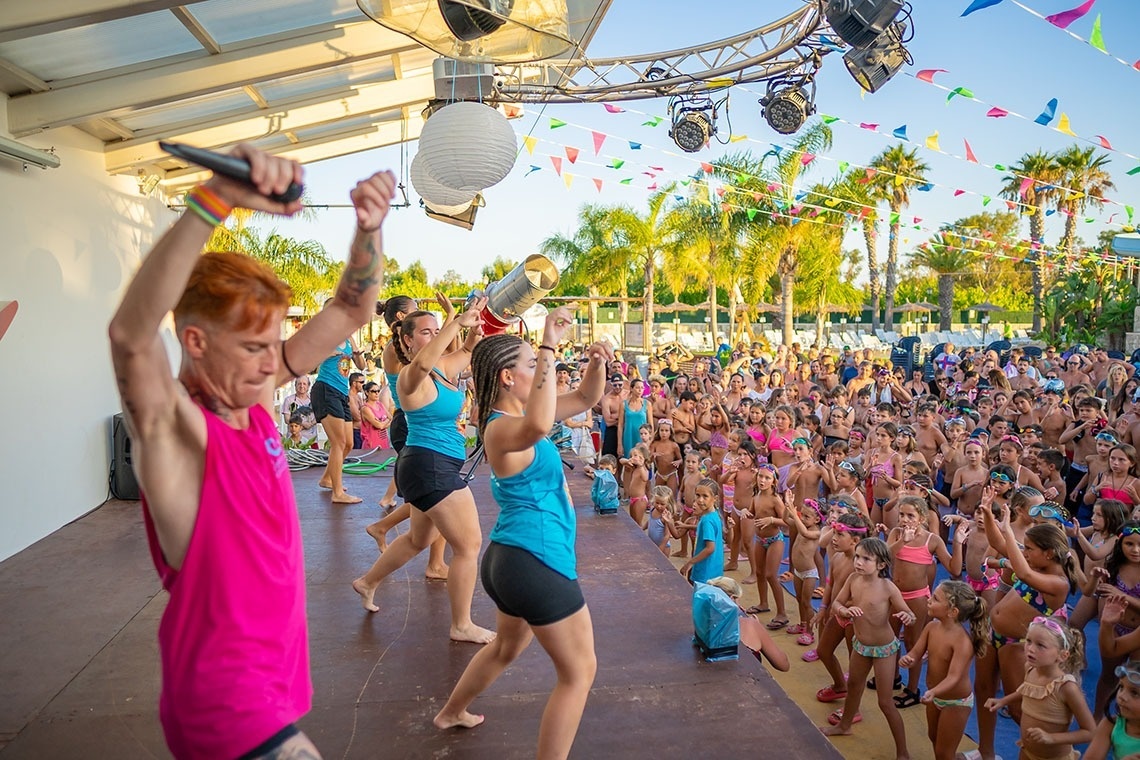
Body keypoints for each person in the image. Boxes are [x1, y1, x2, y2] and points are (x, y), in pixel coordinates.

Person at [108, 144, 396, 759]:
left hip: (273, 693)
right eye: (252, 348)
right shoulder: (175, 429)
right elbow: (131, 335)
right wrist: (215, 200)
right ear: (195, 341)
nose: (274, 363)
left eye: (275, 344)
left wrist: (369, 228)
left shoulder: (256, 402)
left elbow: (350, 308)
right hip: (225, 706)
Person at [431, 309, 611, 760]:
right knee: (579, 672)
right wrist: (548, 340)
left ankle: (452, 711)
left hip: (512, 559)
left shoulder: (522, 415)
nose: (540, 368)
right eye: (532, 364)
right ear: (509, 377)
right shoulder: (501, 427)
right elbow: (535, 426)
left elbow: (587, 397)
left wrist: (596, 361)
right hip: (536, 560)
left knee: (507, 647)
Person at [352, 299, 495, 644]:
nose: (434, 337)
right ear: (407, 341)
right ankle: (461, 624)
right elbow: (430, 356)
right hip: (428, 466)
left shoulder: (441, 367)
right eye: (425, 332)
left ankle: (368, 581)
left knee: (419, 538)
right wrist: (452, 323)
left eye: (436, 330)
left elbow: (468, 351)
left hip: (432, 464)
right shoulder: (408, 376)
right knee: (469, 545)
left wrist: (475, 329)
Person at [820, 537, 916, 760]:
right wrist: (843, 611)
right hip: (861, 646)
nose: (859, 562)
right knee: (853, 686)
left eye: (866, 559)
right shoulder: (854, 579)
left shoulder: (888, 588)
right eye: (857, 557)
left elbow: (910, 614)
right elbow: (837, 603)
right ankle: (845, 726)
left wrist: (907, 617)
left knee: (885, 702)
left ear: (881, 564)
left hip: (884, 649)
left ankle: (903, 752)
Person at [897, 580, 990, 760]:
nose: (929, 600)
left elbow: (954, 677)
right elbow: (916, 652)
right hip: (935, 696)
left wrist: (933, 691)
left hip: (956, 702)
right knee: (934, 738)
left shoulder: (962, 642)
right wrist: (908, 659)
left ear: (952, 612)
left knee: (944, 752)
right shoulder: (931, 627)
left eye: (935, 599)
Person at [983, 616, 1094, 760]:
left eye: (1040, 645)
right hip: (1027, 751)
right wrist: (1004, 700)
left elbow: (1090, 732)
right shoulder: (1030, 668)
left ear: (1062, 656)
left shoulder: (1066, 687)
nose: (1031, 649)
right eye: (1028, 641)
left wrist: (1051, 738)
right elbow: (1028, 689)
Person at [311, 300, 367, 504]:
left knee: (349, 443)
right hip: (326, 390)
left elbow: (361, 365)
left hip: (341, 392)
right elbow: (309, 360)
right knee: (338, 442)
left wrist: (359, 354)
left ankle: (327, 479)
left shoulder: (348, 338)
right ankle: (337, 492)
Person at [360, 380, 391, 450]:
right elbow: (379, 425)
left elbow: (390, 418)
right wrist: (385, 422)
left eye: (378, 391)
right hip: (371, 443)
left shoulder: (380, 404)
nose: (377, 393)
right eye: (373, 391)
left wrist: (382, 423)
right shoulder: (366, 409)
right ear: (367, 392)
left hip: (384, 441)